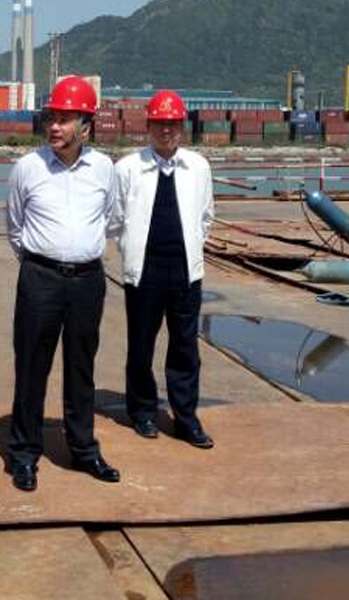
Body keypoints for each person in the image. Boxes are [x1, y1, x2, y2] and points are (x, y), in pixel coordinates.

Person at [6, 75, 119, 492]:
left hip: (88, 281)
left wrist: (79, 250)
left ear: (85, 126)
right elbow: (14, 227)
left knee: (81, 367)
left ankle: (84, 449)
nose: (54, 126)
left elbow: (111, 217)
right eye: (51, 118)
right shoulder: (27, 168)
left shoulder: (104, 168)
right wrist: (45, 260)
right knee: (31, 367)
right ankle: (24, 454)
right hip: (40, 279)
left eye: (64, 119)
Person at [112, 90, 215, 449]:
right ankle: (142, 412)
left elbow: (206, 216)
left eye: (172, 123)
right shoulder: (127, 168)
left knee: (185, 347)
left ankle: (186, 418)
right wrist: (131, 249)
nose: (166, 130)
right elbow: (115, 219)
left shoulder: (198, 167)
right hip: (145, 272)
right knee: (141, 345)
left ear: (182, 126)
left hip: (186, 272)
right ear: (148, 126)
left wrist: (191, 248)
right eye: (159, 123)